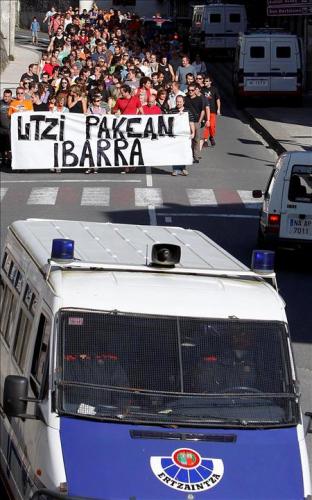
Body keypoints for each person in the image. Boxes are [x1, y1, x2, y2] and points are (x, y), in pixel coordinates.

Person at [170, 95, 195, 176]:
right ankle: (175, 169)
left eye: (180, 102)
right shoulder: (172, 111)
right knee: (175, 152)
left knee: (184, 152)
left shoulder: (188, 111)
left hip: (185, 136)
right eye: (177, 101)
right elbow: (169, 123)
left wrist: (193, 132)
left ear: (183, 102)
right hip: (175, 135)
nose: (178, 103)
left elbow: (191, 123)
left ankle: (183, 168)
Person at [184, 84, 206, 163]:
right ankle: (189, 155)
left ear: (195, 90)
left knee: (196, 140)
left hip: (196, 122)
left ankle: (195, 157)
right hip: (187, 122)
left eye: (192, 90)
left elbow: (202, 110)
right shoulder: (185, 99)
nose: (190, 92)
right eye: (189, 90)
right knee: (189, 140)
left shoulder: (199, 99)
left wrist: (200, 121)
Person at [201, 75, 221, 148]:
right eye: (204, 81)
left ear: (210, 82)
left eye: (206, 81)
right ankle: (205, 140)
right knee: (207, 125)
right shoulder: (202, 89)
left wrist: (218, 109)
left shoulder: (214, 89)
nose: (205, 83)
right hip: (204, 111)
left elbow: (217, 99)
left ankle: (211, 136)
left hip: (212, 110)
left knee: (212, 126)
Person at [0, 89, 12, 165]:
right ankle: (3, 159)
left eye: (8, 96)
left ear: (11, 97)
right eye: (5, 96)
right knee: (2, 145)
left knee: (9, 146)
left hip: (10, 128)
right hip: (1, 127)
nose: (6, 98)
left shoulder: (14, 103)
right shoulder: (0, 103)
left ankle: (9, 160)